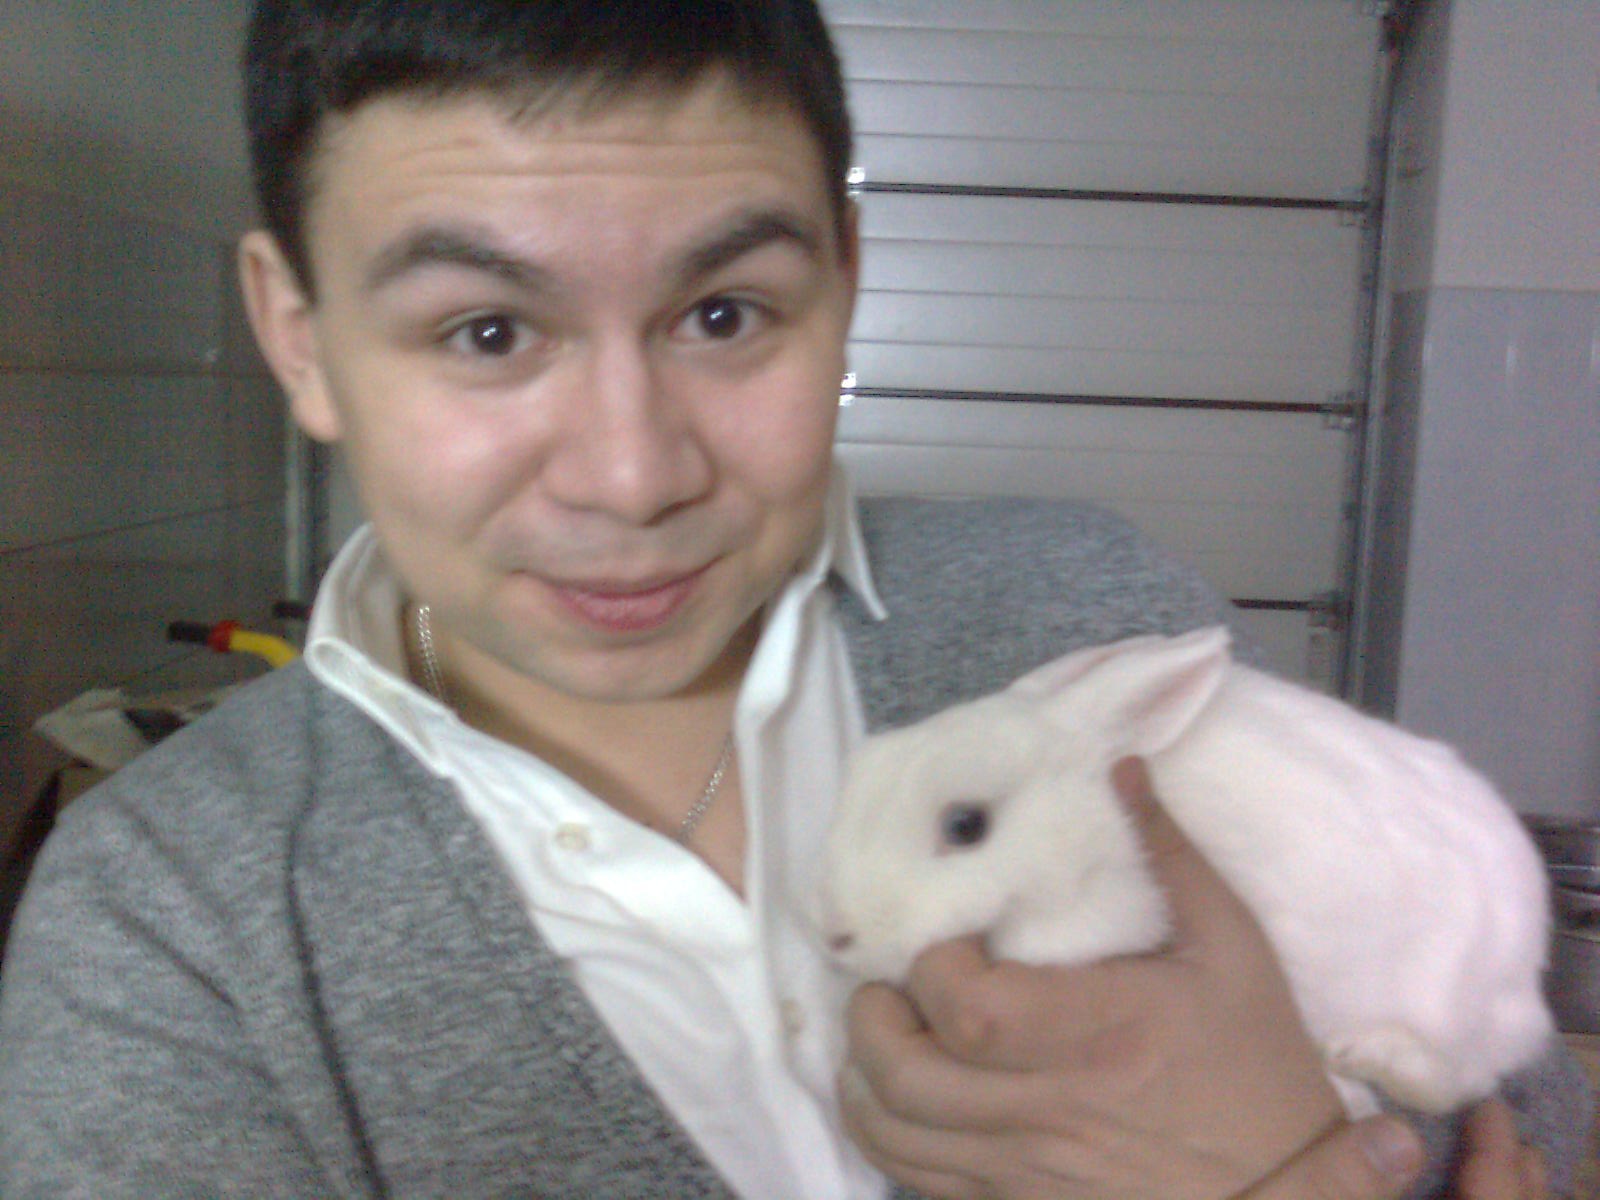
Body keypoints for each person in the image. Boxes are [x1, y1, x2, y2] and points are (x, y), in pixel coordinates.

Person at [0, 2, 1584, 1197]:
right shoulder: (173, 924)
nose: (633, 477)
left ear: (844, 280)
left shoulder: (1070, 603)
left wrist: (1288, 1141)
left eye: (723, 312)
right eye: (487, 332)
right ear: (296, 334)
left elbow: (1522, 1105)